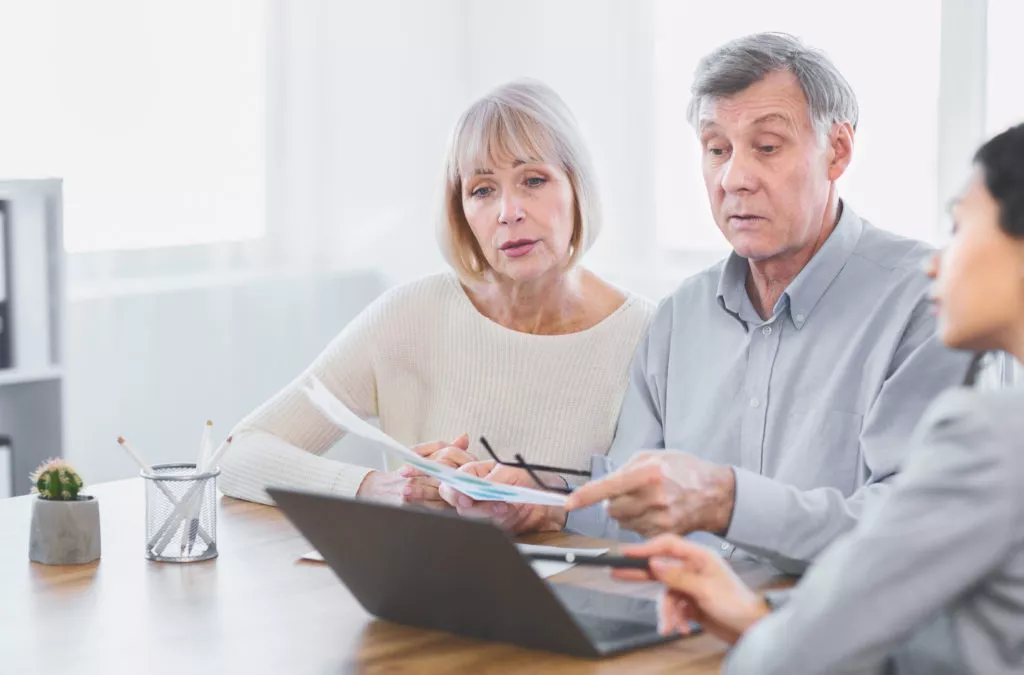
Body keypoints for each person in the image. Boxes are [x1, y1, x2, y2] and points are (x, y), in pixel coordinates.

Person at [445, 33, 971, 572]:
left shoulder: (929, 304)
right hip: (677, 626)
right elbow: (636, 496)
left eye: (766, 147)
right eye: (716, 149)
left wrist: (729, 503)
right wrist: (544, 502)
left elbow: (916, 525)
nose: (734, 179)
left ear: (836, 150)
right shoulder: (680, 317)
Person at [615, 122, 1024, 675]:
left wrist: (774, 631)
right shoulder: (681, 310)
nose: (936, 262)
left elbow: (790, 661)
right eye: (716, 149)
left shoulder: (994, 432)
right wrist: (762, 618)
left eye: (959, 227)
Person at [218, 80, 654, 512]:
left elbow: (663, 510)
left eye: (534, 180)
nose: (509, 213)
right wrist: (379, 488)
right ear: (459, 211)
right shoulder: (409, 316)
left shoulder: (647, 335)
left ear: (578, 186)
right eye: (482, 190)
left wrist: (550, 507)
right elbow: (237, 454)